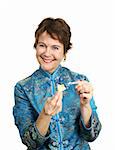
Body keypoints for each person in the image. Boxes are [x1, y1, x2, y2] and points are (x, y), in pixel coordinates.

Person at [13, 17, 102, 150]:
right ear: (35, 46)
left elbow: (92, 136)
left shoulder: (80, 81)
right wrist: (45, 114)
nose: (47, 53)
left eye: (55, 47)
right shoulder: (23, 88)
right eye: (42, 45)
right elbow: (30, 142)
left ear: (65, 52)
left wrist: (85, 106)